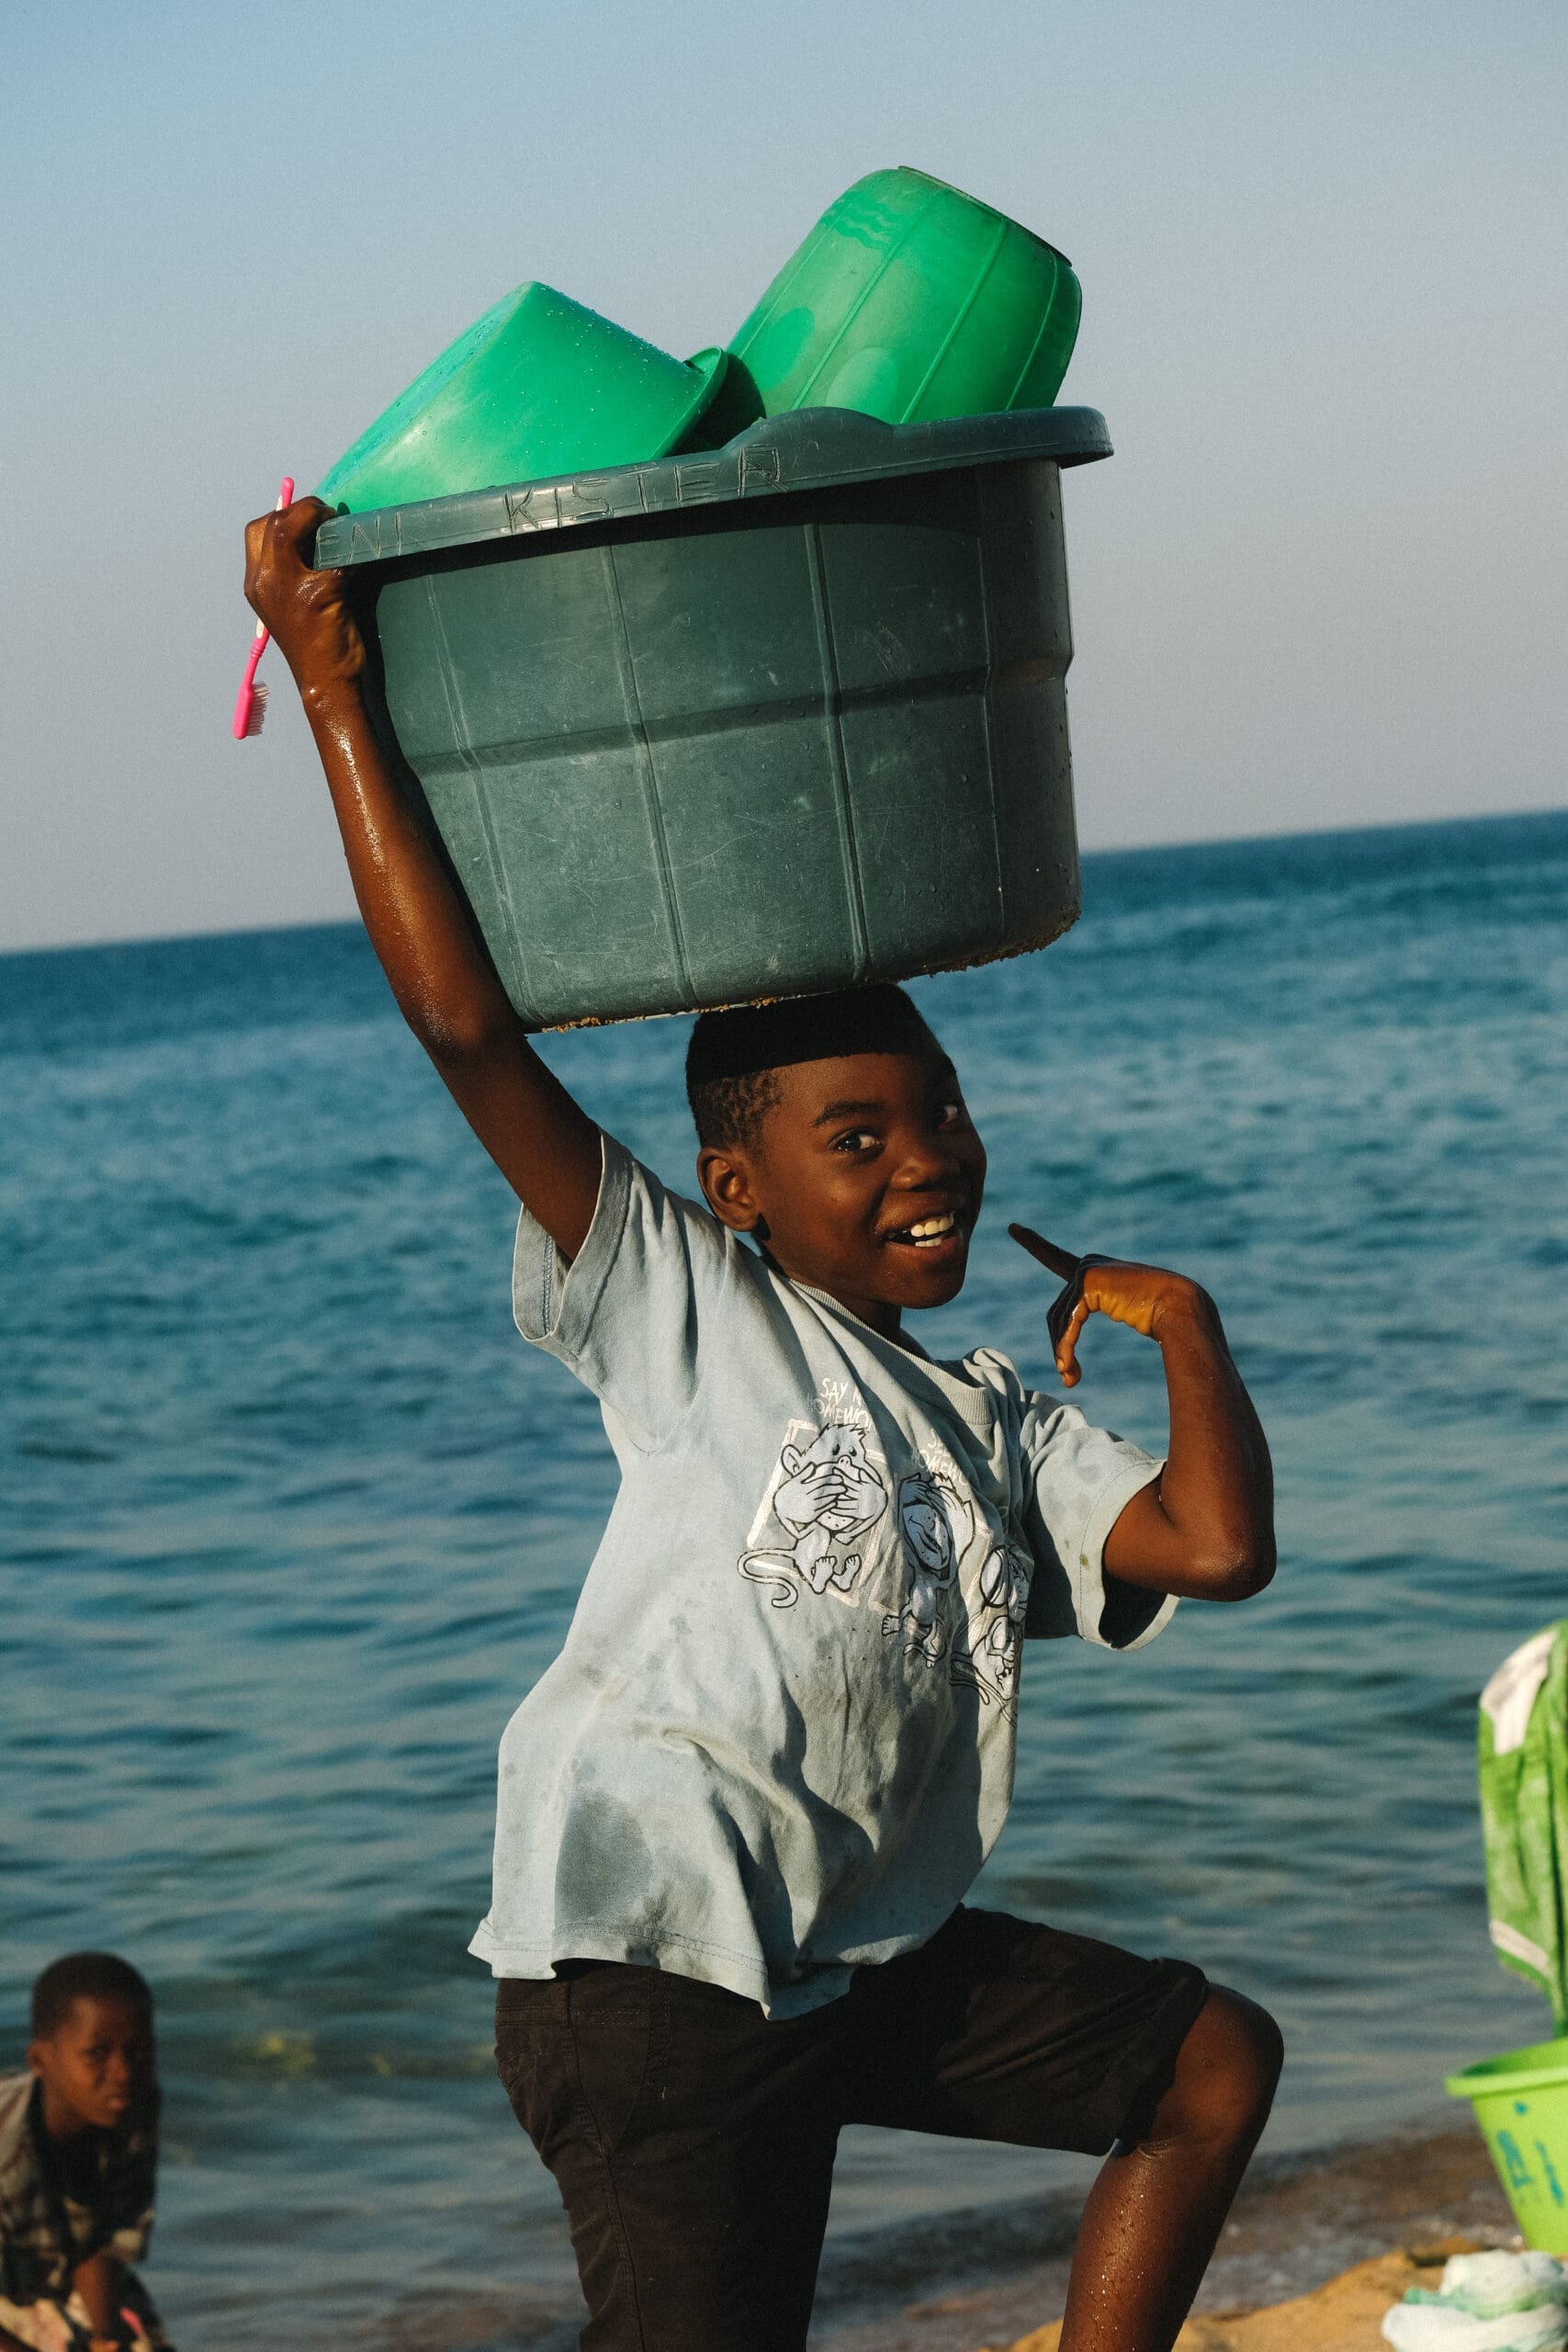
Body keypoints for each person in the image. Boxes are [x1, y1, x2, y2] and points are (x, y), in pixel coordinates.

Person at [244, 498, 1283, 2352]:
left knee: (1203, 2059)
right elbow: (475, 1033)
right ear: (735, 1184)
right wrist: (336, 689)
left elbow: (1212, 1544)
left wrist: (1184, 1321)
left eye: (941, 1113)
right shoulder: (692, 1308)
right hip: (652, 1962)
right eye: (858, 1136)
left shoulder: (998, 1430)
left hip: (843, 1956)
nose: (931, 1162)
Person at [0, 1956, 168, 2352]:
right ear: (41, 2060)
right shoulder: (6, 2154)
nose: (123, 2072)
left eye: (137, 2051)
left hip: (48, 2273)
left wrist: (103, 2336)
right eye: (96, 2054)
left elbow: (99, 2240)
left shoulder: (131, 2111)